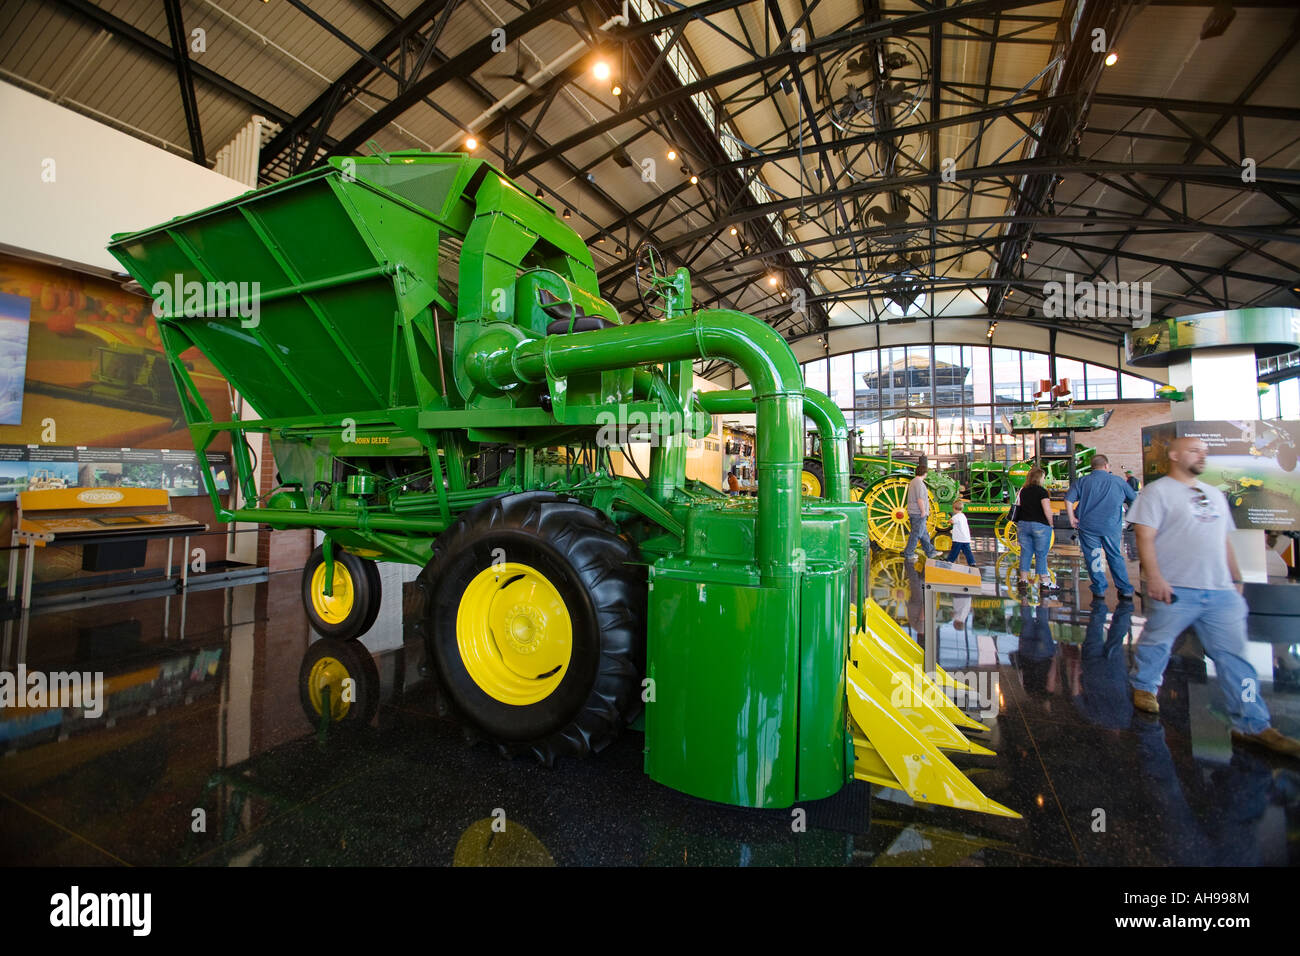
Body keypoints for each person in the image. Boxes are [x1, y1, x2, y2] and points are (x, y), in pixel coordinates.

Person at [1127, 436, 1299, 759]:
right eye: (1195, 450)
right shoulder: (1157, 492)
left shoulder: (1215, 495)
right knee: (1157, 641)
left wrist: (1236, 578)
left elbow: (1225, 540)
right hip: (1177, 589)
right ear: (1175, 454)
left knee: (1234, 657)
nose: (1202, 455)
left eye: (1204, 451)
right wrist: (1156, 577)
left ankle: (1253, 723)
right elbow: (1144, 537)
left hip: (1220, 592)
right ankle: (1145, 685)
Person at [1065, 453, 1137, 598]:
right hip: (1111, 526)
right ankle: (1125, 589)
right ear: (1106, 466)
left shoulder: (1082, 481)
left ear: (1092, 467)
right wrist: (1131, 519)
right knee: (1115, 555)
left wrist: (1071, 517)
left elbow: (1068, 499)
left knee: (1094, 556)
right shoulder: (1118, 481)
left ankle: (1099, 589)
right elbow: (1134, 500)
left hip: (1088, 526)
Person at [1015, 466, 1054, 591]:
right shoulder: (1042, 492)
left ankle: (1023, 580)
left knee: (1025, 553)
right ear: (1039, 478)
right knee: (1041, 554)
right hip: (1040, 525)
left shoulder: (1023, 491)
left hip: (1023, 524)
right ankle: (1044, 582)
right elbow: (1047, 510)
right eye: (1043, 477)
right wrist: (1051, 523)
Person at [902, 460, 938, 561]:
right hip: (918, 512)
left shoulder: (913, 481)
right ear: (925, 473)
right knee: (916, 534)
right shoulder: (919, 483)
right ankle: (909, 553)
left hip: (914, 511)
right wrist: (923, 511)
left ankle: (931, 552)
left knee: (923, 533)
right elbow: (920, 499)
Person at [945, 500, 976, 566]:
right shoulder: (963, 516)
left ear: (954, 509)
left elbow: (952, 521)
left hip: (958, 538)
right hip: (965, 538)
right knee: (967, 551)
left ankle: (950, 560)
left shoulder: (956, 516)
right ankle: (972, 562)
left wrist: (948, 521)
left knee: (955, 550)